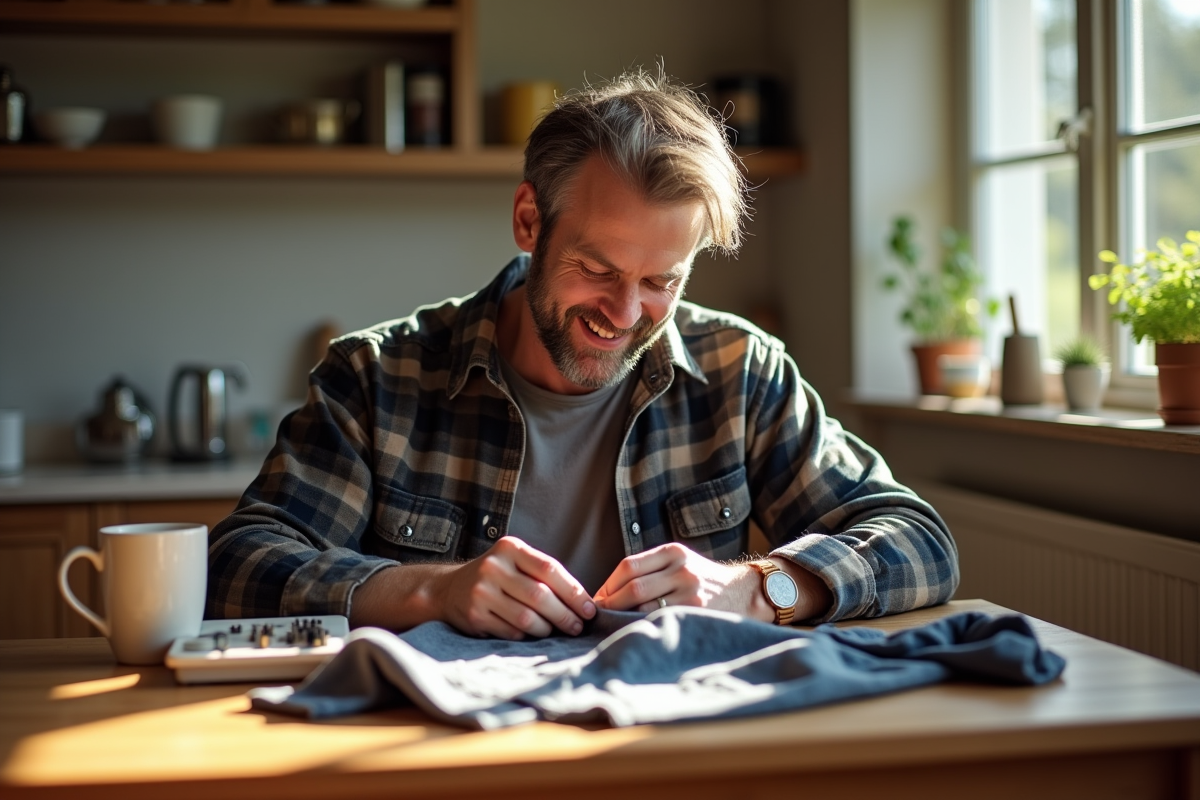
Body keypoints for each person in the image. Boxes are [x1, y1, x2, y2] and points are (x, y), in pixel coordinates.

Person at [207, 68, 958, 640]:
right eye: (597, 269)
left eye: (661, 280)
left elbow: (917, 539)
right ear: (530, 220)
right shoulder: (377, 379)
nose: (626, 313)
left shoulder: (740, 372)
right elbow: (235, 565)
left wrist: (763, 588)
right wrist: (429, 592)